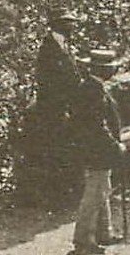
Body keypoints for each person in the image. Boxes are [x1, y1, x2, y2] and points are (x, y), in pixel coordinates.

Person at [20, 12, 85, 207]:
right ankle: (56, 197)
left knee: (64, 150)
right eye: (69, 23)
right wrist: (64, 105)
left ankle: (63, 194)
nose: (73, 27)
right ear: (59, 25)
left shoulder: (63, 44)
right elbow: (49, 83)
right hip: (53, 109)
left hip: (63, 107)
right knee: (56, 151)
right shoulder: (49, 49)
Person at [71, 48, 126, 254]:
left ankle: (104, 232)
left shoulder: (94, 86)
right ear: (102, 70)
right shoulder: (92, 90)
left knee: (103, 187)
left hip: (96, 146)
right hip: (96, 147)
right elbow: (97, 125)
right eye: (110, 68)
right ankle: (84, 238)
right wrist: (114, 145)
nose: (113, 71)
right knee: (95, 191)